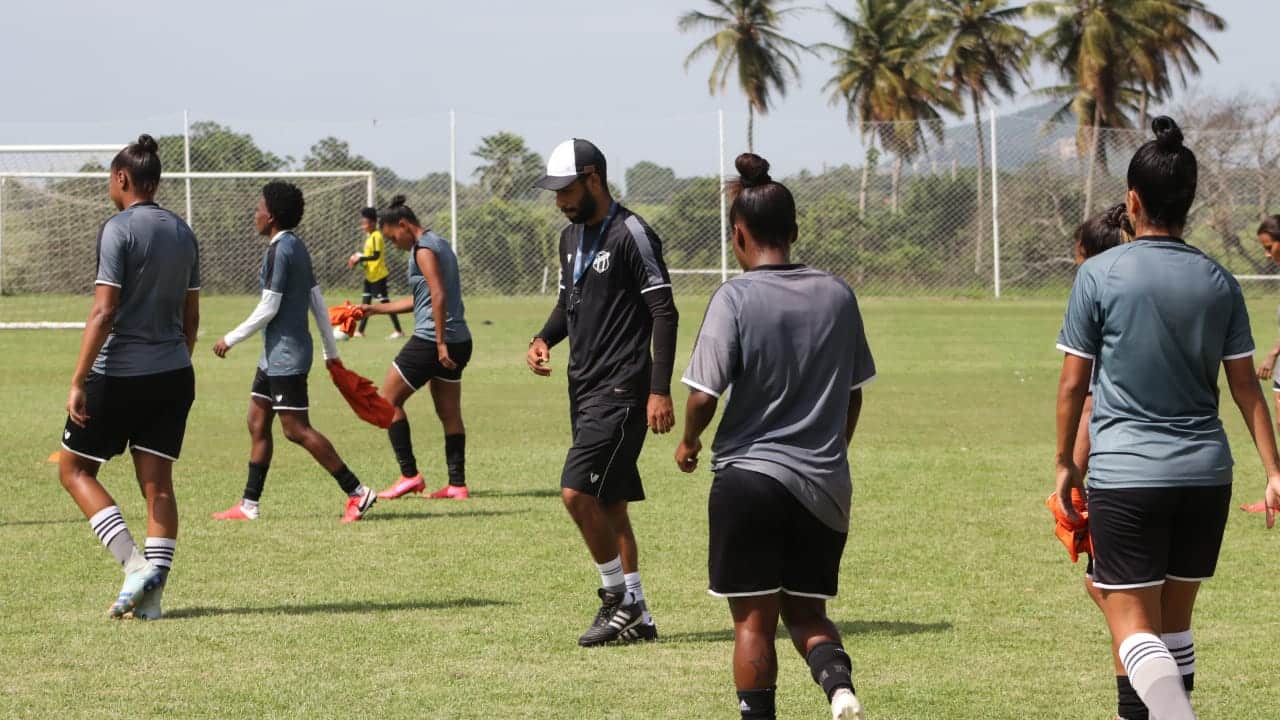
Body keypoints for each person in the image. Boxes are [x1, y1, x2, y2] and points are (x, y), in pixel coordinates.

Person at [1054, 117, 1280, 720]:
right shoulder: (1220, 280)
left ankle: (1176, 716)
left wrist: (1063, 467)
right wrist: (1274, 469)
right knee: (1174, 626)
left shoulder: (1098, 275)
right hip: (1206, 475)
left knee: (1128, 621)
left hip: (1127, 475)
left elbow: (1075, 384)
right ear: (1191, 201)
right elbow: (1245, 389)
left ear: (1132, 200)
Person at [675, 153, 874, 720]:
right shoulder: (838, 294)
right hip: (824, 484)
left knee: (753, 624)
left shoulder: (733, 298)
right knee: (809, 614)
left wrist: (688, 442)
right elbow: (853, 393)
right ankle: (839, 690)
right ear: (793, 231)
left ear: (738, 234)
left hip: (749, 480)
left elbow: (703, 396)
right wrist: (830, 451)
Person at [526, 138, 678, 646]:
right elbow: (568, 302)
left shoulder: (632, 233)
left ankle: (618, 599)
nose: (559, 201)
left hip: (623, 387)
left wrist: (659, 391)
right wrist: (543, 338)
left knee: (576, 492)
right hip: (583, 386)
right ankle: (641, 617)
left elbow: (664, 312)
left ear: (594, 178)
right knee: (611, 503)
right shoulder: (570, 237)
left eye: (565, 190)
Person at [58, 134, 199, 619]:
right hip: (175, 373)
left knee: (73, 470)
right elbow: (191, 317)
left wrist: (78, 379)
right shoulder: (184, 232)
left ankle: (134, 565)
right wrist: (173, 363)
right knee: (157, 486)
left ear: (122, 178)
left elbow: (103, 311)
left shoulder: (118, 228)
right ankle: (153, 598)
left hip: (118, 376)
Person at [211, 182, 376, 523]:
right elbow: (316, 298)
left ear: (270, 216)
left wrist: (230, 337)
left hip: (287, 355)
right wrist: (331, 352)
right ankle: (249, 505)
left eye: (258, 208)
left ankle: (358, 492)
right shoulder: (296, 247)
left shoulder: (280, 251)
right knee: (257, 421)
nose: (254, 214)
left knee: (295, 429)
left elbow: (269, 306)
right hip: (273, 356)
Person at [1063, 204, 1137, 719]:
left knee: (1116, 596)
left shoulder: (1096, 306)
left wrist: (1071, 474)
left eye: (1079, 261)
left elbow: (1085, 398)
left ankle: (1142, 697)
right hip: (1192, 465)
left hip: (1120, 469)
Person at [361, 195, 473, 500]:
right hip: (460, 339)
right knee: (449, 412)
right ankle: (457, 485)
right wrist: (373, 310)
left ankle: (409, 476)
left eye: (391, 236)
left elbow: (437, 295)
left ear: (403, 225)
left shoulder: (422, 249)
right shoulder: (439, 243)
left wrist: (438, 343)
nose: (393, 243)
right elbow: (422, 299)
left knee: (387, 402)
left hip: (432, 340)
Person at [346, 206, 403, 339]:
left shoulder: (377, 236)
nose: (363, 225)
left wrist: (360, 258)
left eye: (364, 223)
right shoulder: (370, 237)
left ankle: (399, 331)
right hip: (370, 276)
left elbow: (376, 256)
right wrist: (358, 259)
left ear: (372, 223)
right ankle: (360, 331)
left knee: (385, 304)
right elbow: (368, 257)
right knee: (365, 302)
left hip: (378, 276)